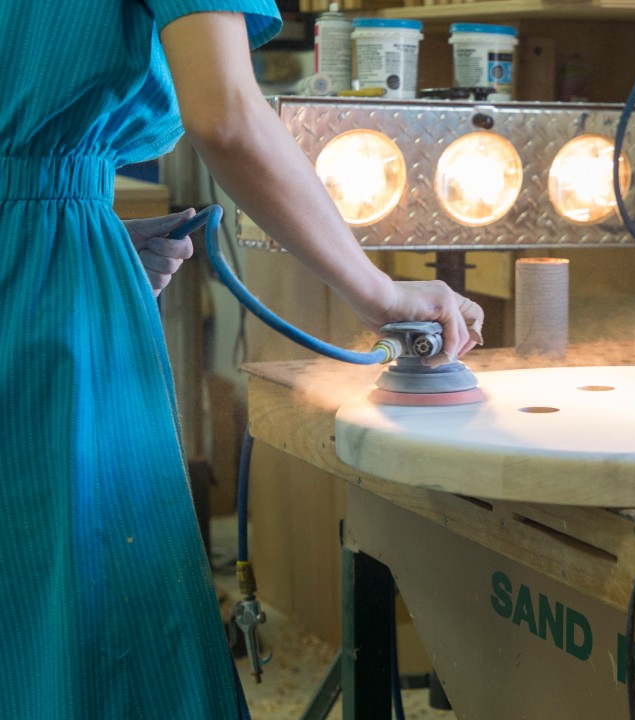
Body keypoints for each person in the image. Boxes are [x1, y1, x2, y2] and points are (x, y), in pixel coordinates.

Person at [0, 3, 481, 717]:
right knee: (82, 610)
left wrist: (73, 229)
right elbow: (225, 114)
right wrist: (379, 292)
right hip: (42, 285)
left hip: (40, 256)